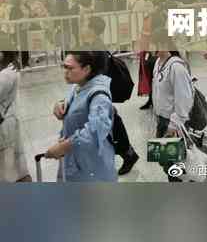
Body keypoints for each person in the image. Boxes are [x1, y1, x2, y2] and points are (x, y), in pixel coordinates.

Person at [82, 16, 139, 176]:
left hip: (100, 95)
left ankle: (128, 154)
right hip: (97, 95)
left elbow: (100, 76)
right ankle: (126, 154)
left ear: (92, 30)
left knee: (111, 126)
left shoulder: (97, 49)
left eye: (85, 25)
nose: (83, 28)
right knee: (108, 125)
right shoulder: (93, 46)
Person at [48, 51, 117, 182]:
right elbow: (79, 102)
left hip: (91, 167)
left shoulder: (99, 97)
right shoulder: (79, 85)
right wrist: (61, 104)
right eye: (64, 67)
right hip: (76, 159)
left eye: (70, 68)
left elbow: (94, 133)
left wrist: (63, 147)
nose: (65, 72)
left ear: (86, 69)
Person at [151, 29, 195, 182]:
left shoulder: (177, 67)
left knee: (174, 165)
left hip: (173, 123)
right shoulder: (158, 63)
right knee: (165, 160)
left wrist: (174, 124)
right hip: (162, 119)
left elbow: (184, 99)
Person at [0, 42, 31, 182]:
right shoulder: (8, 70)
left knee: (8, 164)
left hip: (4, 124)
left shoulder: (6, 75)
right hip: (7, 120)